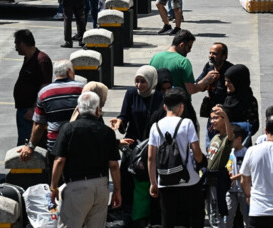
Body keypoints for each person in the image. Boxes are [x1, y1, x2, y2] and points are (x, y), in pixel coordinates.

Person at [50, 92, 121, 227]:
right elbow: (114, 166)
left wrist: (53, 188)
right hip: (101, 186)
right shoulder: (107, 132)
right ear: (97, 110)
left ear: (78, 109)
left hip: (77, 187)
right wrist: (117, 190)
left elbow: (59, 161)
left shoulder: (68, 129)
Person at [111, 66, 165, 225]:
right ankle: (128, 212)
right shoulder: (131, 94)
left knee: (148, 179)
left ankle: (147, 215)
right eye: (137, 81)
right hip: (132, 146)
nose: (139, 85)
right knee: (128, 179)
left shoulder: (160, 98)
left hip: (151, 144)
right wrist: (120, 122)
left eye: (143, 82)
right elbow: (124, 116)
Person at [148, 89, 205, 228]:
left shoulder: (155, 127)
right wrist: (201, 163)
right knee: (193, 219)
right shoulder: (186, 123)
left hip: (165, 181)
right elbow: (196, 152)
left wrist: (153, 183)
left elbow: (151, 157)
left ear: (164, 106)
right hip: (188, 180)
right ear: (181, 106)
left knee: (168, 220)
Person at [18, 60, 85, 163]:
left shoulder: (44, 92)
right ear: (69, 71)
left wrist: (30, 147)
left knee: (57, 176)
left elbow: (38, 124)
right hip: (79, 141)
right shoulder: (82, 89)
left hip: (55, 144)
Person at [12, 30, 53, 142]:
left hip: (30, 112)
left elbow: (45, 87)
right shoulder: (28, 59)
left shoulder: (41, 60)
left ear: (22, 44)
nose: (15, 48)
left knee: (26, 143)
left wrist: (34, 109)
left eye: (16, 44)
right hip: (23, 110)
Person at [149, 30, 213, 96]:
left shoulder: (155, 58)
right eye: (189, 47)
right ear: (182, 45)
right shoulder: (183, 62)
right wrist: (206, 80)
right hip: (178, 103)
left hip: (157, 103)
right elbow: (191, 89)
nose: (190, 50)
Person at [196, 42, 233, 139]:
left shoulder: (230, 71)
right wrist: (206, 80)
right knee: (211, 145)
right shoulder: (209, 67)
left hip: (227, 114)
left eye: (215, 54)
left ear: (224, 56)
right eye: (210, 53)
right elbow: (197, 85)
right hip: (213, 114)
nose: (211, 56)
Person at [205, 105, 234, 228]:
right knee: (210, 210)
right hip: (208, 179)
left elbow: (231, 135)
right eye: (211, 118)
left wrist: (225, 116)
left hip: (217, 181)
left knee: (216, 212)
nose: (213, 121)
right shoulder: (215, 137)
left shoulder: (227, 138)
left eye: (216, 118)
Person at [221, 64, 259, 146]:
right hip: (225, 145)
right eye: (225, 81)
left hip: (241, 146)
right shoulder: (228, 98)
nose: (226, 84)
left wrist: (230, 126)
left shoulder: (249, 101)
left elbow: (254, 126)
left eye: (230, 81)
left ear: (238, 82)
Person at [225, 125, 248, 228]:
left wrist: (233, 178)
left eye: (231, 140)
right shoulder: (230, 151)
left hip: (243, 190)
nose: (229, 142)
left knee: (247, 216)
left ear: (239, 139)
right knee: (227, 214)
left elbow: (246, 171)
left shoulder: (246, 152)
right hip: (230, 190)